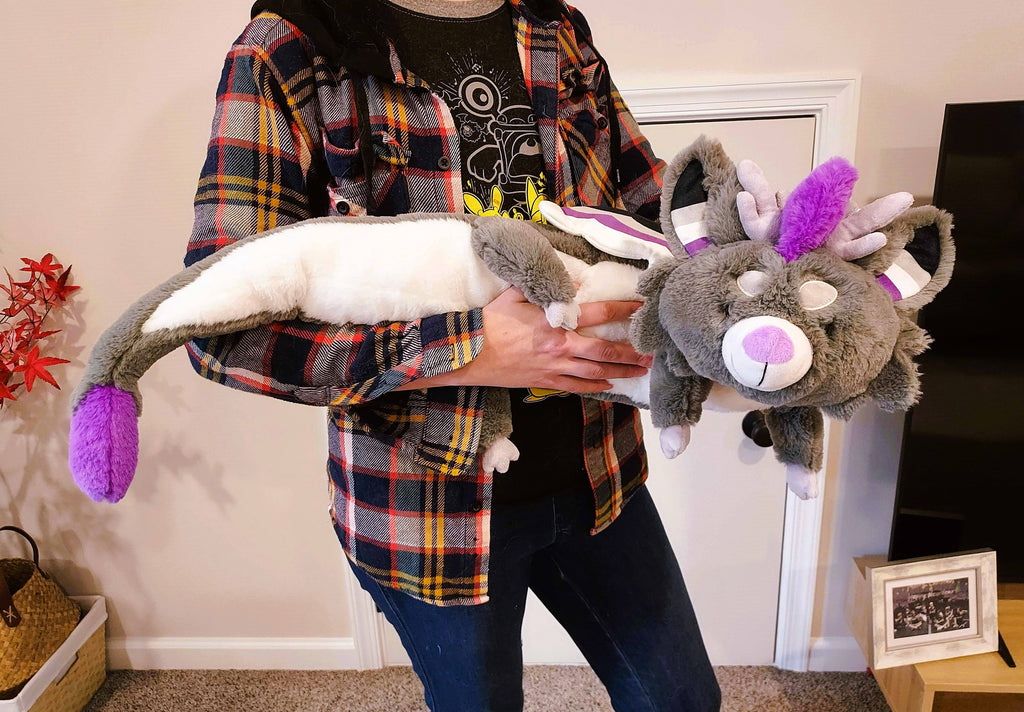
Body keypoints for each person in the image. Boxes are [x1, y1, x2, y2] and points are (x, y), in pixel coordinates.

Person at [185, 0, 720, 710]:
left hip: (601, 469)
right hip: (422, 509)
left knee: (682, 699)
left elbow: (655, 207)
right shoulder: (286, 50)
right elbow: (219, 328)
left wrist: (772, 274)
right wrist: (464, 352)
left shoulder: (555, 29)